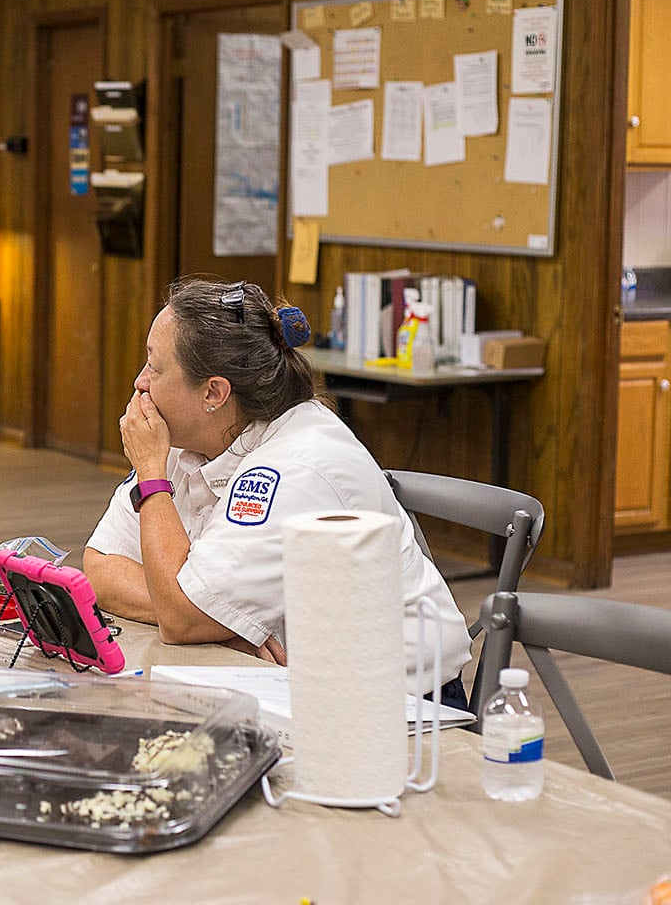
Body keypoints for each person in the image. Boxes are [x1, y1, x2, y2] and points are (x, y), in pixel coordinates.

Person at [82, 278, 471, 704]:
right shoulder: (183, 439)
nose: (140, 383)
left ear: (214, 391)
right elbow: (99, 568)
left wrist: (153, 481)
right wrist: (216, 624)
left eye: (154, 368)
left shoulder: (295, 466)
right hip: (284, 685)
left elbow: (182, 618)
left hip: (398, 706)